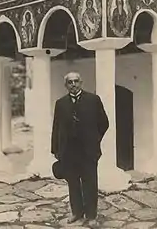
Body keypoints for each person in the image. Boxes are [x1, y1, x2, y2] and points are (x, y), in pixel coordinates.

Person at [51, 72, 109, 226]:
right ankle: (77, 212)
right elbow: (56, 127)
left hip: (88, 151)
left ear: (81, 83)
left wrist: (94, 140)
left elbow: (104, 123)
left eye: (76, 81)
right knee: (73, 183)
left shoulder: (93, 100)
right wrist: (56, 149)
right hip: (69, 152)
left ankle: (91, 216)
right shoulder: (61, 103)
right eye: (70, 82)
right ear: (66, 85)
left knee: (90, 182)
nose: (73, 85)